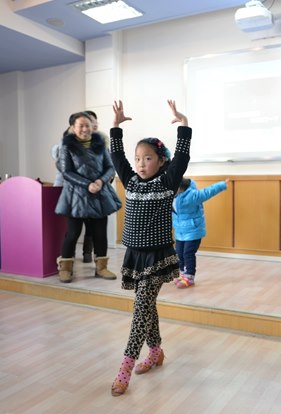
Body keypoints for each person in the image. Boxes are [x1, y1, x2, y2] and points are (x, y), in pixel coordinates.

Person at [109, 99, 191, 397]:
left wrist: (184, 126)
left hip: (158, 257)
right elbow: (117, 157)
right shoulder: (131, 182)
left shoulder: (167, 182)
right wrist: (115, 128)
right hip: (134, 255)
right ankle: (156, 352)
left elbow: (182, 157)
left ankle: (124, 369)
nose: (141, 164)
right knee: (147, 306)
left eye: (147, 158)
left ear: (161, 161)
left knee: (140, 307)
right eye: (138, 158)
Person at [54, 111, 122, 283]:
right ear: (73, 127)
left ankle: (101, 268)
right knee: (73, 233)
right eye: (81, 126)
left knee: (100, 233)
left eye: (88, 125)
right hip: (76, 196)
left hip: (99, 194)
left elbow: (110, 167)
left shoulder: (100, 144)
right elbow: (66, 172)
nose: (85, 129)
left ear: (93, 126)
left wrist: (100, 181)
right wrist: (87, 184)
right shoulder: (67, 147)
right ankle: (66, 268)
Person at [172, 177, 228, 288]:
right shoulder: (172, 196)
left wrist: (222, 185)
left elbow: (208, 192)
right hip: (180, 231)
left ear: (179, 186)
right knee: (179, 253)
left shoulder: (193, 195)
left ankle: (189, 277)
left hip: (193, 230)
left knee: (188, 253)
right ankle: (182, 274)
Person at [80, 110, 110, 264]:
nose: (93, 124)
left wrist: (103, 182)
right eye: (90, 121)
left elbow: (109, 166)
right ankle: (85, 253)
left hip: (101, 190)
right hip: (81, 191)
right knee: (84, 225)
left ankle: (98, 260)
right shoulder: (77, 142)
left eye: (94, 121)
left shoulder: (103, 141)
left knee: (98, 226)